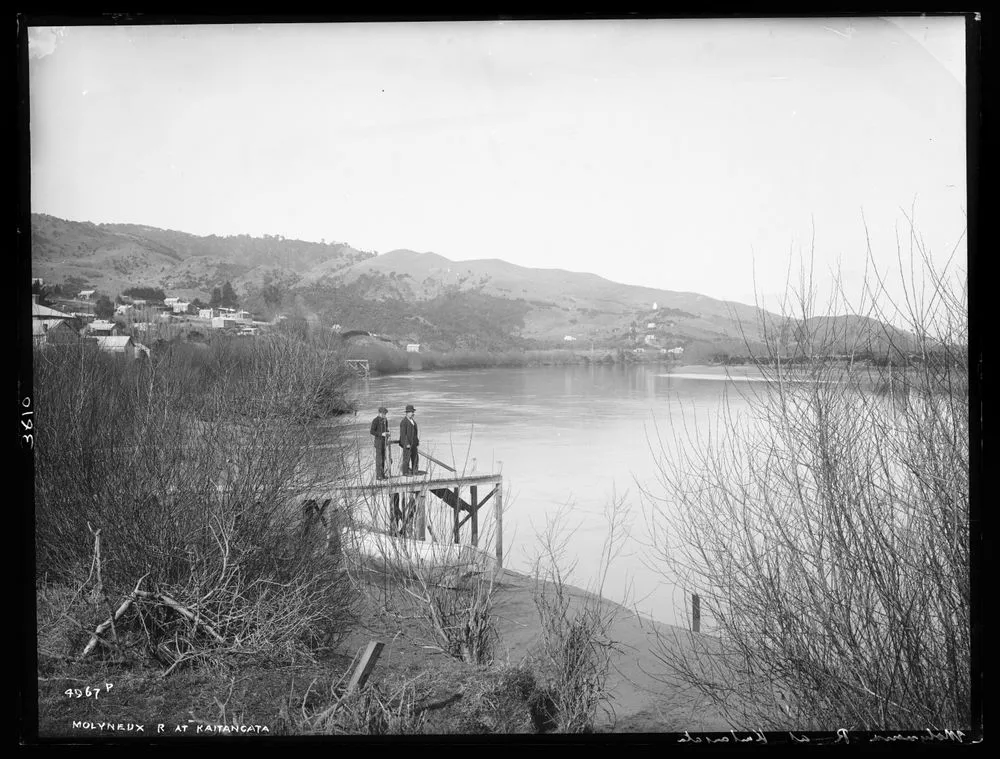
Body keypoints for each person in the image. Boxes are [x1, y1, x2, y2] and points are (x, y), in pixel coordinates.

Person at [399, 404, 420, 475]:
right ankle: (405, 472)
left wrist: (417, 441)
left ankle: (415, 471)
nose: (412, 413)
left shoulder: (413, 421)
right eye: (411, 412)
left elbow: (415, 433)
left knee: (415, 458)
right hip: (407, 444)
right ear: (407, 413)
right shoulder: (404, 422)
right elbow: (403, 434)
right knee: (406, 459)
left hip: (413, 443)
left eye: (413, 412)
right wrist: (406, 443)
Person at [369, 406, 390, 479]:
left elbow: (386, 429)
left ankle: (382, 474)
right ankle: (379, 475)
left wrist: (387, 433)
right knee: (379, 459)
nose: (385, 415)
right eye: (384, 413)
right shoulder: (375, 420)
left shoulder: (385, 420)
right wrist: (381, 434)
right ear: (379, 413)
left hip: (384, 442)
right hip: (378, 442)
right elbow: (372, 431)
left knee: (383, 458)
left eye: (385, 414)